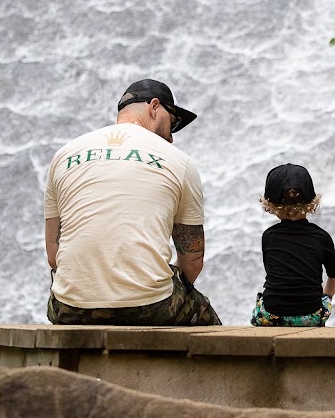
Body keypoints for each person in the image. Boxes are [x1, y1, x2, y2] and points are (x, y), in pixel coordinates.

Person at [44, 78, 221, 326]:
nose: (171, 136)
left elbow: (54, 255)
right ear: (155, 107)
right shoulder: (179, 161)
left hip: (68, 307)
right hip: (151, 306)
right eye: (174, 122)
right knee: (205, 318)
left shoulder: (63, 155)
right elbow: (193, 261)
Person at [250, 163, 335, 327]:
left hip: (272, 315)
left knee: (261, 302)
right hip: (311, 315)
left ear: (269, 204)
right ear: (312, 201)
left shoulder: (268, 237)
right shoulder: (321, 237)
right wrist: (326, 296)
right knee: (320, 303)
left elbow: (277, 274)